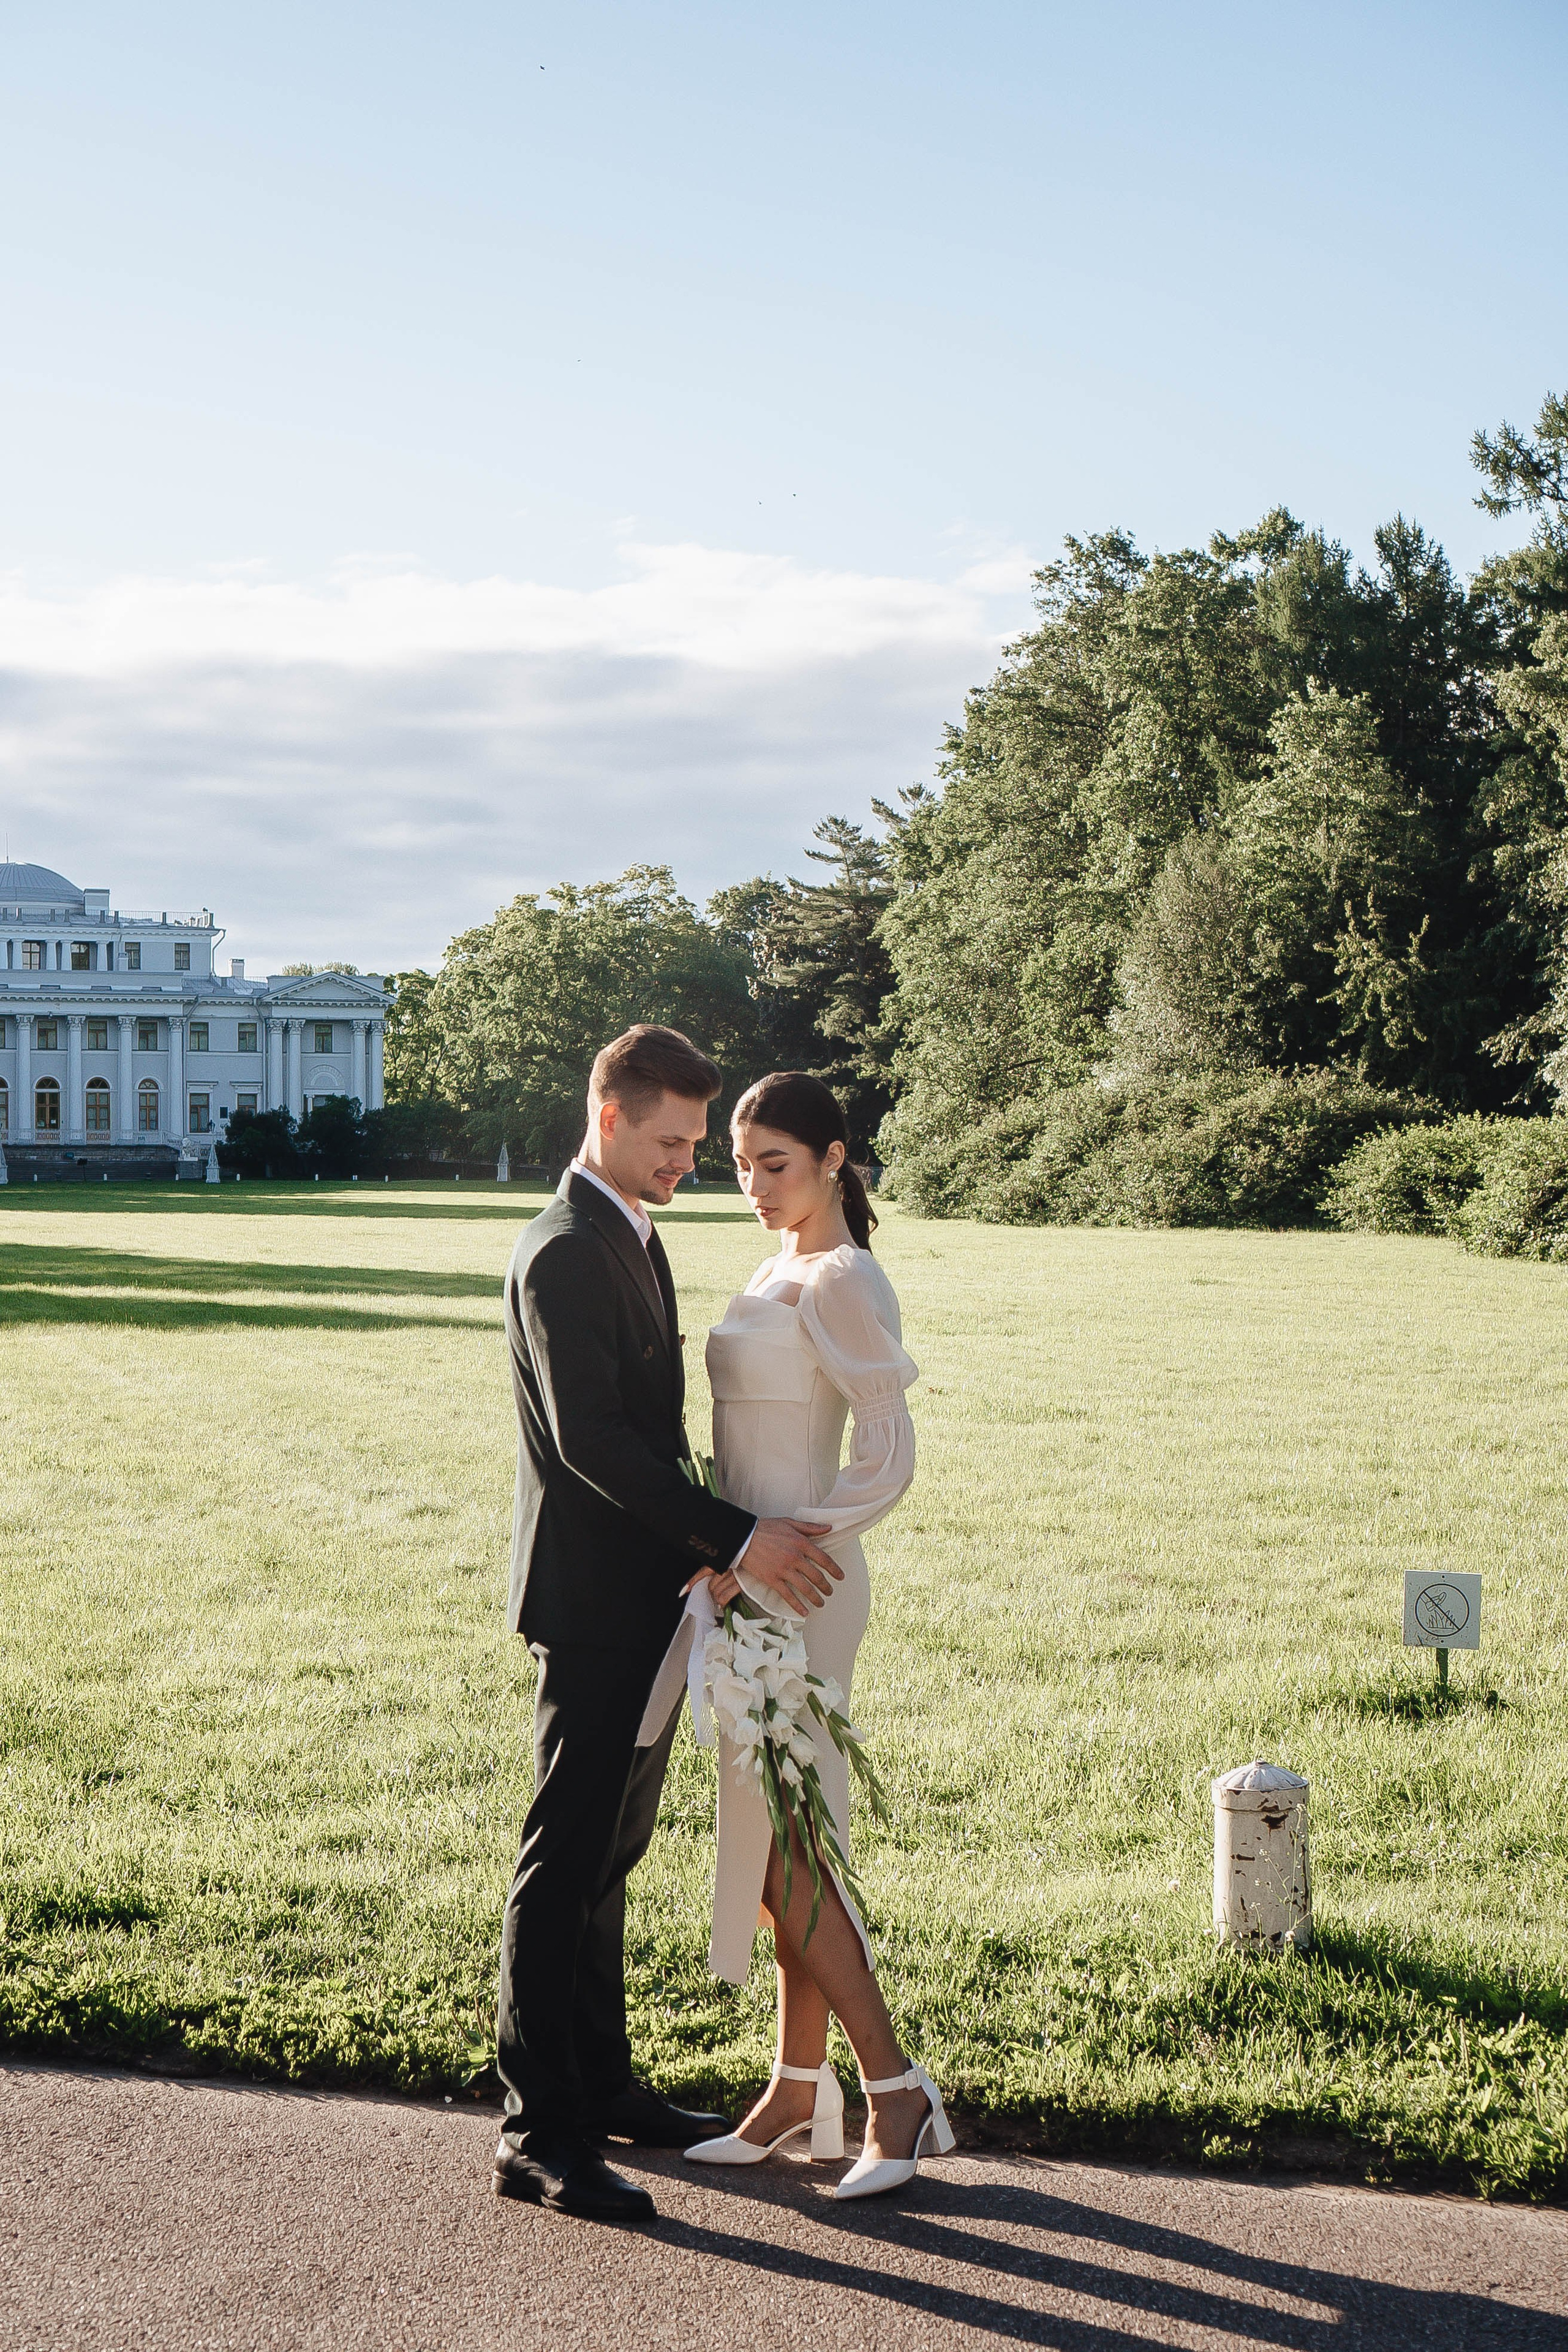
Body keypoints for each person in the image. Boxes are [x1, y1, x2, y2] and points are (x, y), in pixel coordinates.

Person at [492, 1027, 848, 2224]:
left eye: (698, 1145)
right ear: (607, 1114)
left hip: (650, 1599)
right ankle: (536, 2134)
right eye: (670, 1142)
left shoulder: (629, 1235)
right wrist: (737, 1538)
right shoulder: (559, 1254)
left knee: (611, 1859)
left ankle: (603, 2087)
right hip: (590, 1609)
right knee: (562, 1864)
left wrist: (705, 1555)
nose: (688, 1164)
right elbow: (593, 1443)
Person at [674, 1071, 954, 2199]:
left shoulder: (842, 1277)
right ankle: (800, 2086)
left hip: (802, 1586)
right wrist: (722, 1548)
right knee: (770, 1841)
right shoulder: (770, 1264)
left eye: (773, 1163)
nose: (750, 1185)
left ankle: (894, 2090)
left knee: (794, 1849)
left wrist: (785, 1543)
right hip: (738, 1582)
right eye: (738, 1164)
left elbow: (889, 1453)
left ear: (835, 1157)